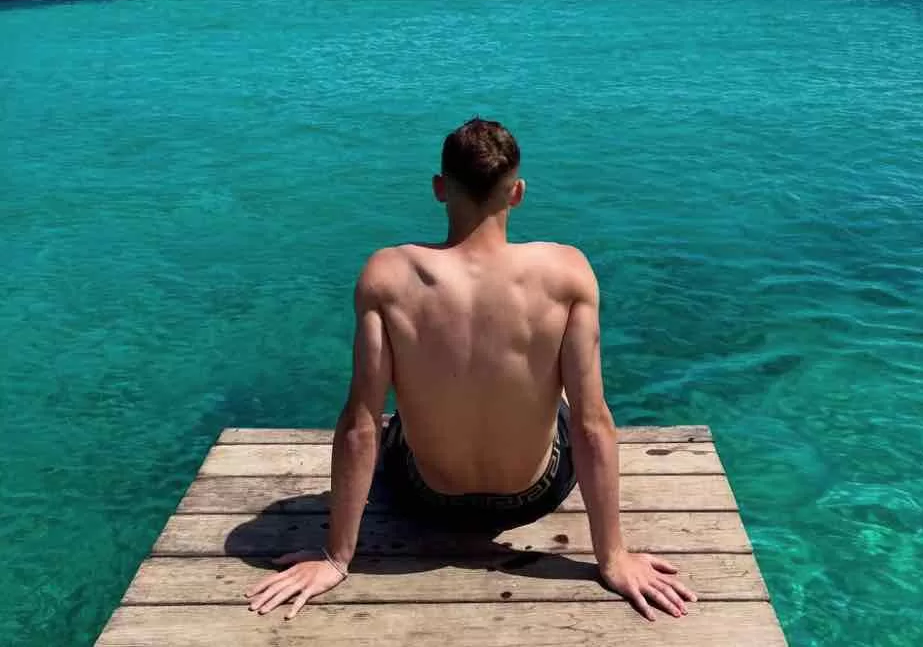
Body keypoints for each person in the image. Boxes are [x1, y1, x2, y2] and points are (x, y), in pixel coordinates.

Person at [245, 118, 697, 621]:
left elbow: (360, 424)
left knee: (401, 408)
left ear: (440, 188)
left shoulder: (388, 275)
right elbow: (594, 423)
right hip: (534, 494)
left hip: (427, 497)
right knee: (568, 397)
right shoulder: (567, 272)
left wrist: (335, 558)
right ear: (517, 193)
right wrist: (613, 557)